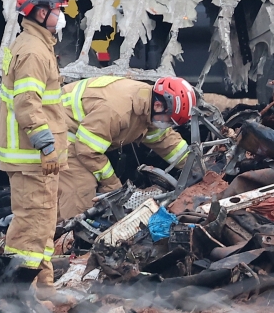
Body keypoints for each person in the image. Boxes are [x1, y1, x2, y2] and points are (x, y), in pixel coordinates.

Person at [0, 0, 71, 298]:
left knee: (42, 226)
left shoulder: (35, 45)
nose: (61, 16)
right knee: (30, 228)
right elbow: (27, 103)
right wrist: (46, 144)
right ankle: (14, 298)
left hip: (36, 159)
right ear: (40, 13)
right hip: (33, 156)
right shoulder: (33, 51)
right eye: (56, 10)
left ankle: (44, 290)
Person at [56, 76, 196, 221]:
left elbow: (165, 140)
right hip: (62, 132)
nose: (167, 125)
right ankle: (70, 238)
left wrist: (194, 166)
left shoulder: (148, 105)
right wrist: (113, 187)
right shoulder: (117, 110)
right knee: (81, 191)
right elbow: (87, 149)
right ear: (159, 106)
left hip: (84, 135)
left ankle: (52, 231)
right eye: (169, 120)